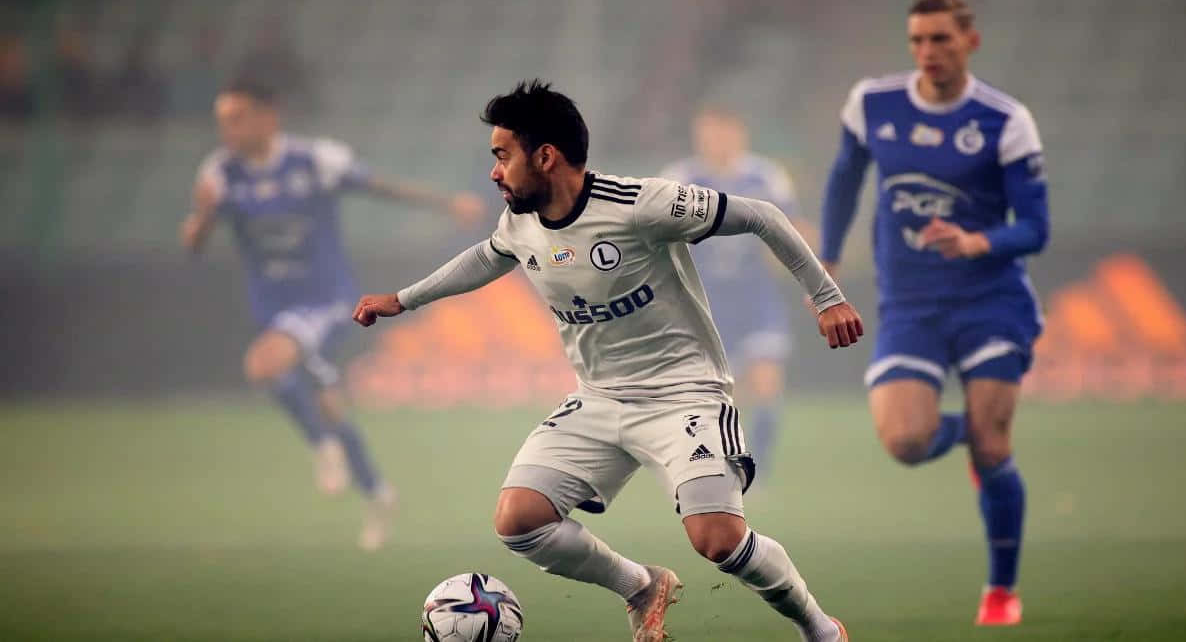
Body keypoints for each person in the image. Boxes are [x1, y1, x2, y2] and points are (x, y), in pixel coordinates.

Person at [354, 80, 861, 642]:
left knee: (716, 540)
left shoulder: (640, 205)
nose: (495, 172)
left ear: (544, 157)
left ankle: (820, 630)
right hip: (597, 399)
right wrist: (404, 299)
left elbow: (763, 215)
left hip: (684, 396)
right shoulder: (520, 221)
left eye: (503, 156)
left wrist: (828, 297)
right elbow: (486, 257)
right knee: (520, 522)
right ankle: (643, 587)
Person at [820, 0, 1048, 626]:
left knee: (994, 445)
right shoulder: (874, 104)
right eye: (918, 40)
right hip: (909, 306)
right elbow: (844, 177)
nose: (927, 53)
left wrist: (978, 240)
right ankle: (972, 439)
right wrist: (827, 259)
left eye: (940, 40)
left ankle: (1001, 593)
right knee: (905, 440)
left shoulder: (1005, 121)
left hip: (990, 301)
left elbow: (1035, 227)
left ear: (968, 43)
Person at [180, 79, 483, 551]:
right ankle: (377, 492)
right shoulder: (220, 172)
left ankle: (321, 446)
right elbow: (193, 244)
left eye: (237, 118)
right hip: (274, 310)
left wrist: (447, 205)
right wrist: (201, 218)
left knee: (263, 364)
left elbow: (379, 188)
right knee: (326, 403)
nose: (228, 130)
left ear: (268, 115)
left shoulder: (313, 160)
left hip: (327, 303)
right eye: (222, 120)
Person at [661, 107, 806, 486]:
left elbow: (791, 232)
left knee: (767, 382)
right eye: (708, 132)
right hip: (701, 303)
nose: (716, 140)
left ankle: (757, 474)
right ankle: (708, 466)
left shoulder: (766, 177)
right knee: (717, 395)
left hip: (756, 299)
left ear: (739, 133)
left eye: (724, 131)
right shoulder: (680, 179)